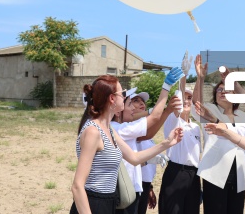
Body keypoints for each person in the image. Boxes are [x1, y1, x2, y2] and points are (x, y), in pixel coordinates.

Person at [70, 75, 183, 214]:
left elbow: (134, 158)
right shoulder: (93, 131)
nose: (125, 96)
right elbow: (77, 186)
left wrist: (166, 143)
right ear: (112, 99)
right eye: (122, 93)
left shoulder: (109, 129)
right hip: (92, 204)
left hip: (108, 202)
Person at [112, 67, 183, 214]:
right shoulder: (121, 129)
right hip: (124, 189)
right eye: (131, 103)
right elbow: (154, 118)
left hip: (134, 187)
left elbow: (148, 135)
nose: (134, 107)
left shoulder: (122, 128)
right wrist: (166, 87)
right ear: (118, 109)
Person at [192, 55, 245, 214]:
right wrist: (200, 78)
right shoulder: (210, 110)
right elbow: (196, 104)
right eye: (219, 89)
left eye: (227, 89)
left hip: (238, 177)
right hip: (215, 175)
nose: (222, 91)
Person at [158, 87, 202, 214]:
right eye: (183, 98)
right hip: (176, 172)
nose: (186, 101)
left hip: (193, 175)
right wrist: (184, 75)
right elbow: (177, 110)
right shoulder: (172, 119)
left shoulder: (195, 127)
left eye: (189, 98)